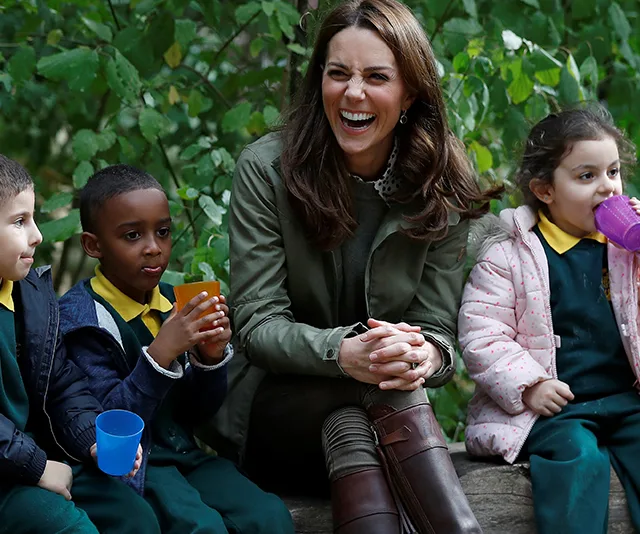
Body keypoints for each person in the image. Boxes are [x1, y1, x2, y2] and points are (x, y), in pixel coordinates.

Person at [207, 1, 500, 532]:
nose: (353, 93)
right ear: (319, 78)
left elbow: (437, 330)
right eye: (337, 73)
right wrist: (344, 353)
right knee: (376, 393)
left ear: (410, 91)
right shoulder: (269, 168)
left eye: (376, 77)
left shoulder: (440, 183)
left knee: (354, 424)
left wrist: (423, 355)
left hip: (374, 418)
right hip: (272, 413)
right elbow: (256, 326)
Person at [58, 164, 294, 534]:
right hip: (139, 468)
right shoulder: (82, 319)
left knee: (268, 515)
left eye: (163, 232)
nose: (153, 248)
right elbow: (106, 427)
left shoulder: (174, 302)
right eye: (132, 235)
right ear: (93, 245)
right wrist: (160, 355)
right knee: (201, 527)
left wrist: (210, 358)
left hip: (185, 455)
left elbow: (196, 413)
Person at [458, 107, 640, 534]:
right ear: (544, 190)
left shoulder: (626, 252)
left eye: (613, 172)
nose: (606, 187)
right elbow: (483, 334)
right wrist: (530, 385)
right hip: (556, 408)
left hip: (625, 399)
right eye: (586, 176)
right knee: (577, 459)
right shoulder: (509, 255)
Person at [0, 154, 150, 534]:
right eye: (19, 221)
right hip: (11, 473)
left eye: (33, 218)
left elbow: (61, 384)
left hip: (34, 458)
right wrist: (37, 467)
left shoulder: (31, 298)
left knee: (135, 518)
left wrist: (92, 439)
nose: (37, 235)